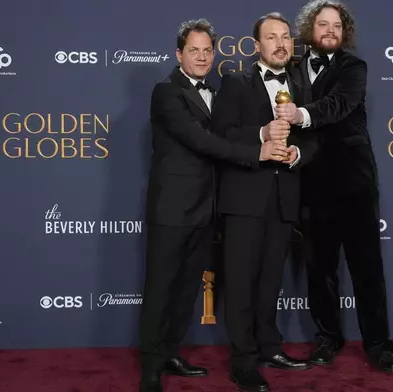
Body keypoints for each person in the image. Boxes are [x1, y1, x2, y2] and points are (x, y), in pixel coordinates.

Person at [139, 18, 290, 392]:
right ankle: (151, 369)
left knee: (187, 287)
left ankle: (171, 352)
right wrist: (259, 151)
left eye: (208, 50)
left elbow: (221, 137)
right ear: (179, 54)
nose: (203, 57)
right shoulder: (165, 92)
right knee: (161, 289)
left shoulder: (218, 90)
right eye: (194, 50)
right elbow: (203, 141)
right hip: (172, 208)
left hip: (207, 209)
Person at [271, 0, 393, 373]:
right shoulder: (292, 69)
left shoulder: (354, 67)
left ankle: (378, 345)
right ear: (309, 29)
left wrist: (301, 114)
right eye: (323, 24)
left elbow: (338, 105)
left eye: (337, 25)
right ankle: (328, 338)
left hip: (354, 183)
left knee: (367, 269)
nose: (330, 30)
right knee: (319, 269)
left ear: (344, 33)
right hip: (311, 184)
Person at [211, 12, 318, 392]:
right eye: (271, 38)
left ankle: (270, 347)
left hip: (284, 198)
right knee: (240, 283)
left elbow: (313, 138)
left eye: (285, 37)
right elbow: (221, 135)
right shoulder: (235, 83)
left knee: (271, 281)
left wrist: (297, 154)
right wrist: (261, 134)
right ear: (257, 46)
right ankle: (243, 362)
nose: (280, 43)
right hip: (244, 199)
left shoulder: (301, 88)